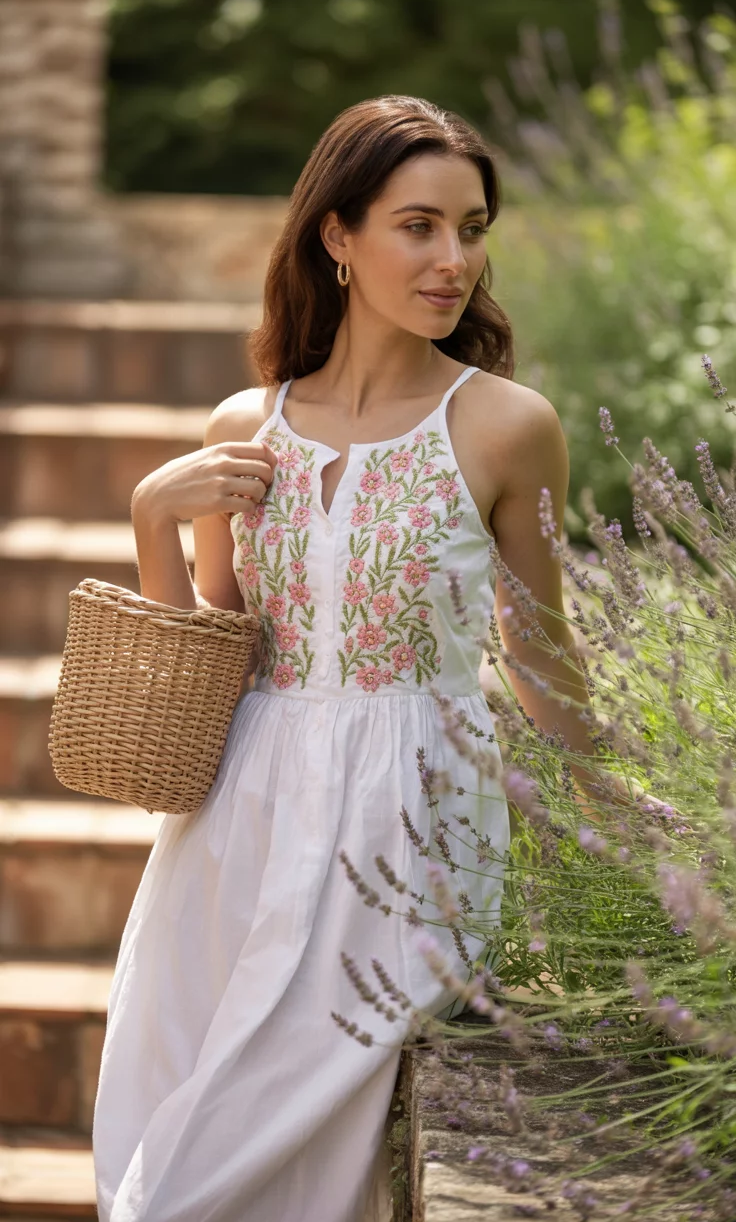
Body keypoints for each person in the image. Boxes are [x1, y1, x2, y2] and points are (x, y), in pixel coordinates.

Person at [92, 94, 587, 1222]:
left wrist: (626, 824)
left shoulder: (508, 425)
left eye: (471, 229)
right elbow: (212, 643)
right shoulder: (242, 426)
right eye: (417, 225)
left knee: (267, 1157)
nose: (451, 258)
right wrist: (148, 523)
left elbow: (543, 658)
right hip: (236, 821)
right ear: (337, 235)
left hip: (411, 817)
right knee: (179, 1115)